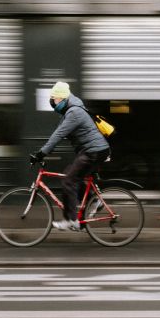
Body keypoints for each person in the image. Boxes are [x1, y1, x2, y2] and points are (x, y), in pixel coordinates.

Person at [31, 81, 110, 231]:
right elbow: (59, 133)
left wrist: (41, 153)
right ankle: (94, 200)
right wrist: (46, 151)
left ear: (61, 99)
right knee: (70, 173)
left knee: (68, 181)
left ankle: (71, 220)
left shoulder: (74, 112)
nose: (52, 102)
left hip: (93, 151)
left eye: (54, 99)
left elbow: (58, 135)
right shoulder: (71, 110)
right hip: (93, 150)